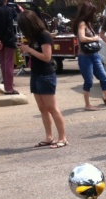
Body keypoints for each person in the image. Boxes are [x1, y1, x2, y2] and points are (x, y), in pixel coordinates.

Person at [17, 10, 67, 148]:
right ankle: (49, 137)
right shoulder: (33, 37)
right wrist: (26, 51)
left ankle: (62, 137)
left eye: (23, 27)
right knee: (42, 108)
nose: (23, 30)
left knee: (52, 108)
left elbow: (47, 57)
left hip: (46, 74)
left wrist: (30, 50)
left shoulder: (43, 35)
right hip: (36, 74)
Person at [72, 2, 106, 110]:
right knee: (89, 81)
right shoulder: (82, 24)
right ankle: (87, 105)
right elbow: (82, 38)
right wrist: (95, 38)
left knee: (104, 77)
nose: (94, 14)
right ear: (87, 12)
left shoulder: (88, 23)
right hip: (85, 56)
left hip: (94, 55)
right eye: (92, 12)